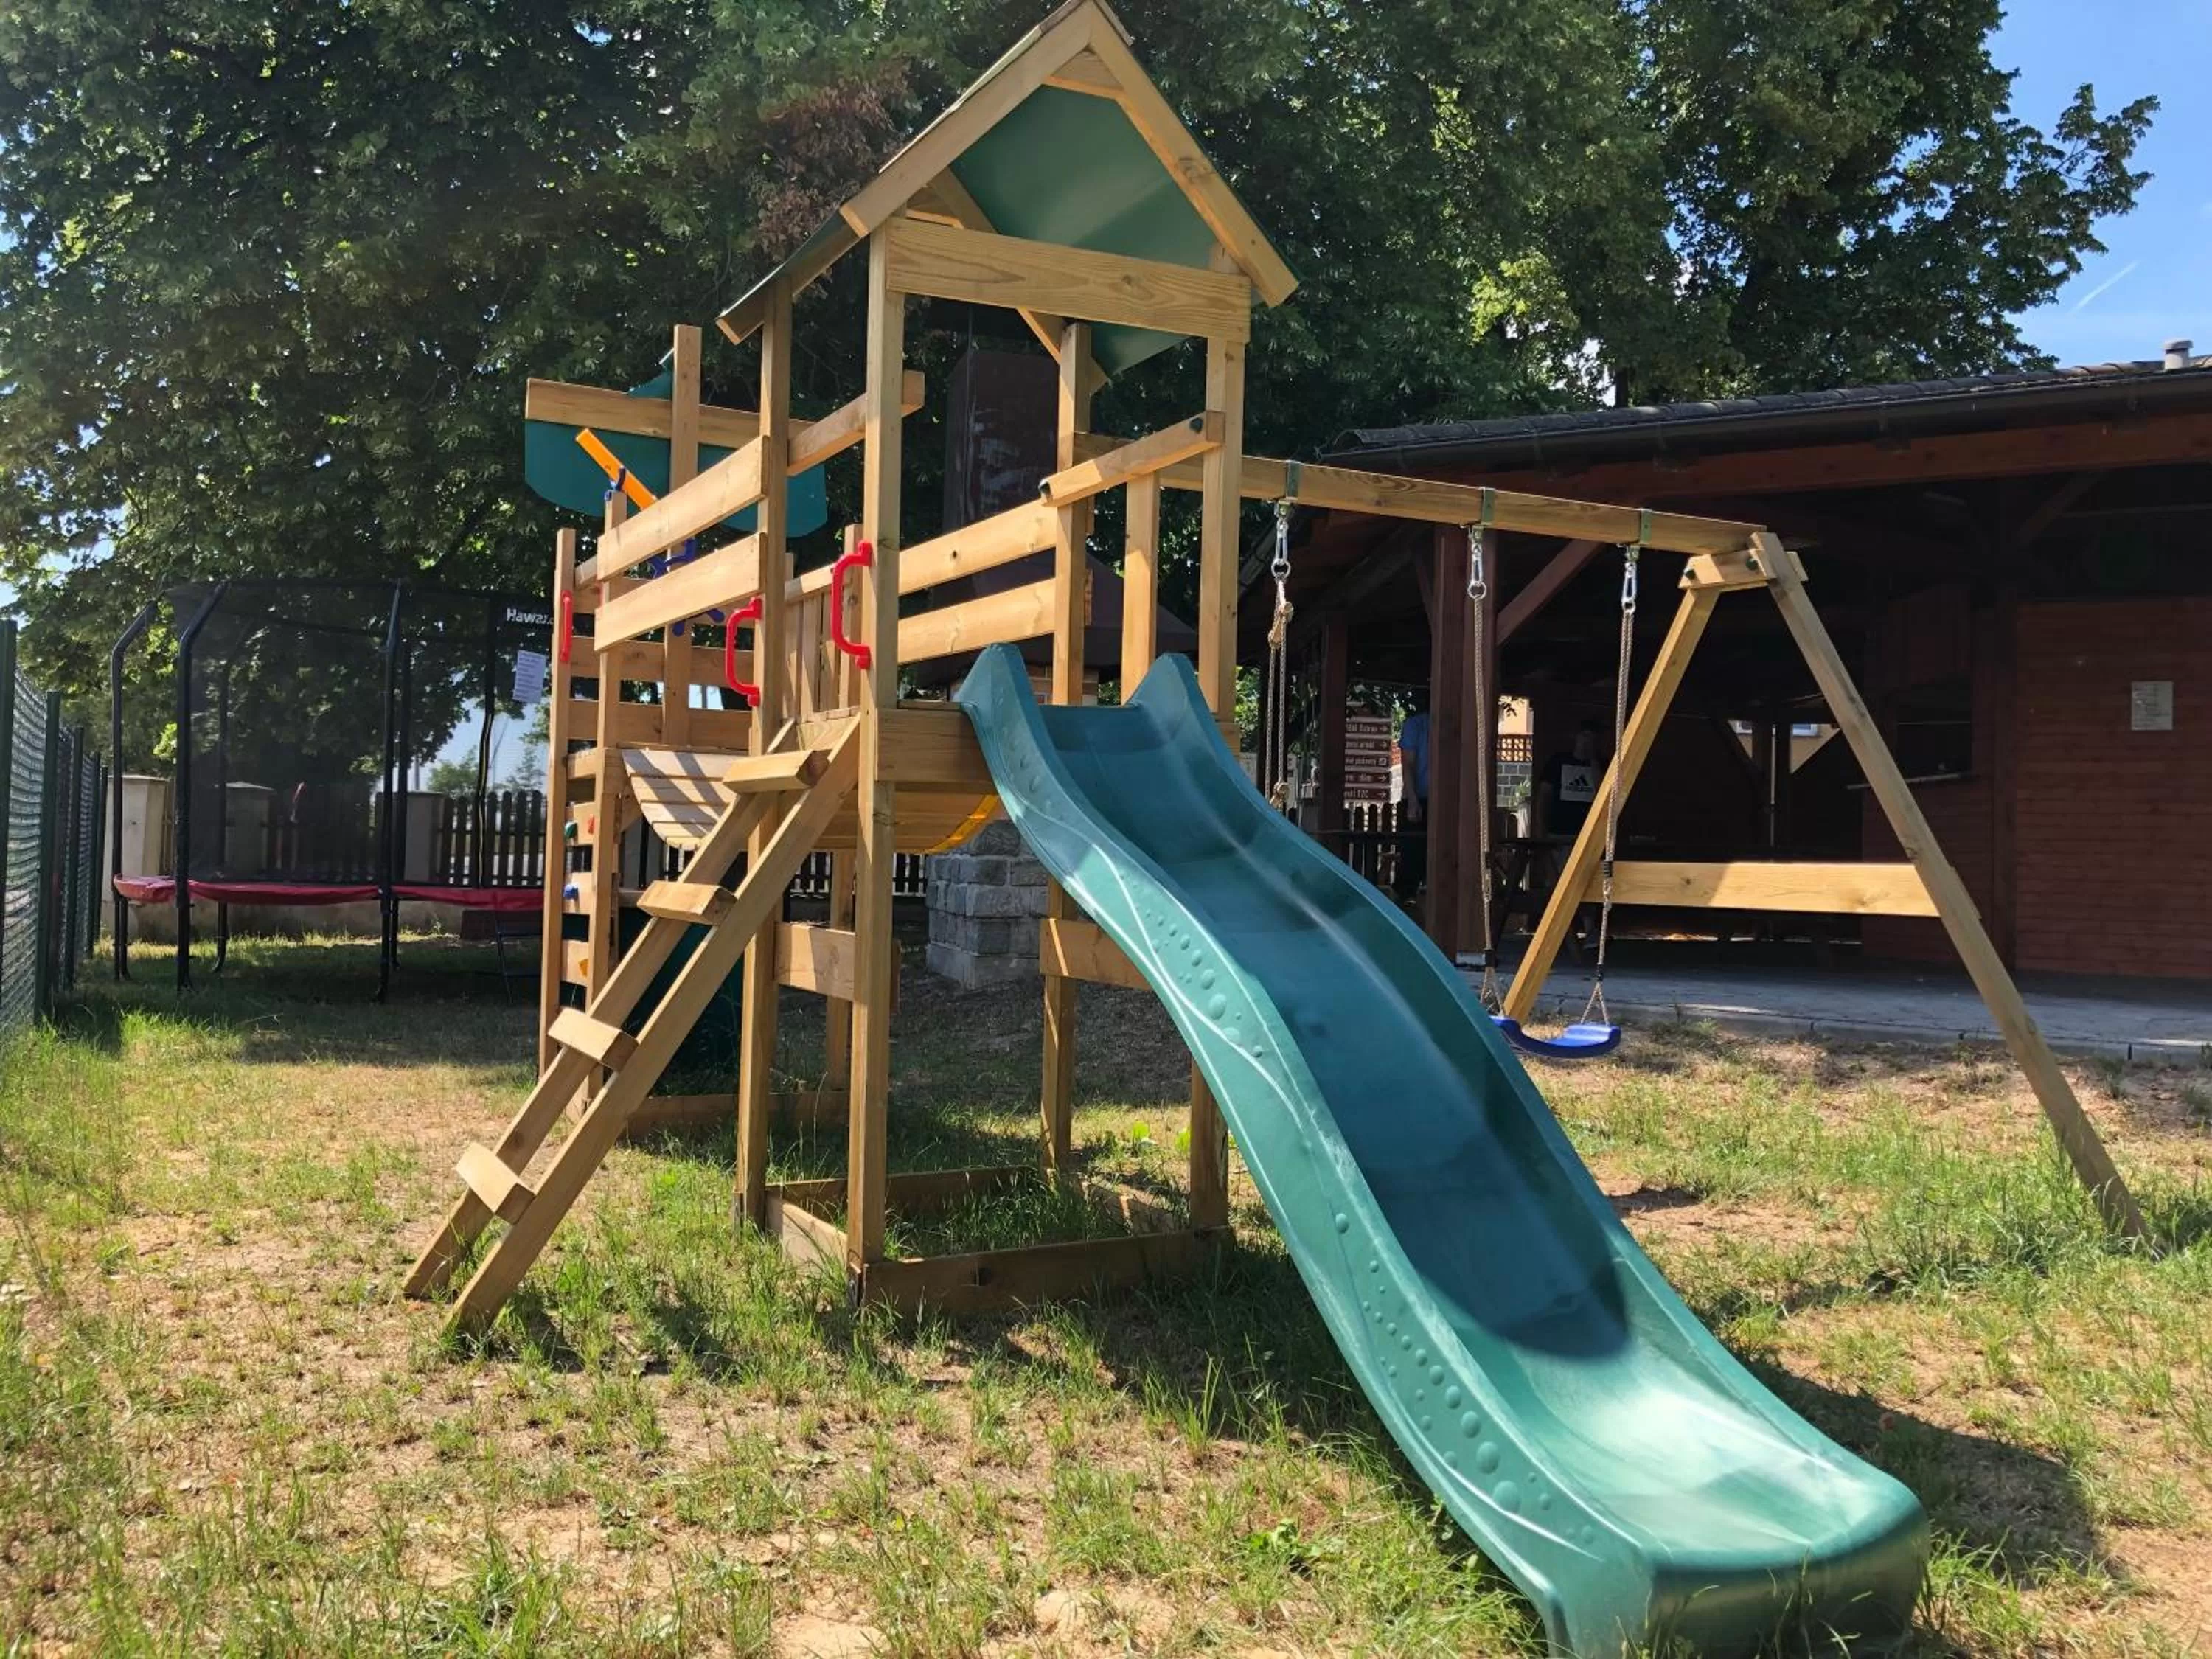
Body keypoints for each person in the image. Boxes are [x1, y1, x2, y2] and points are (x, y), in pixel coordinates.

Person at [1534, 719, 1604, 841]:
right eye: (1585, 736)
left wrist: (1593, 760)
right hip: (1559, 832)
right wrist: (1541, 828)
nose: (1588, 742)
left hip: (1589, 834)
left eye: (1593, 738)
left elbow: (1604, 793)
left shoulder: (1602, 764)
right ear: (1576, 737)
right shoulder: (1558, 761)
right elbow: (1544, 795)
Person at [1392, 698, 1433, 900]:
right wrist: (1413, 801)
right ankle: (1405, 901)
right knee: (1412, 857)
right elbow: (1407, 765)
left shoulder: (1416, 725)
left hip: (1434, 800)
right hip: (1419, 799)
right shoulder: (1416, 725)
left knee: (1425, 859)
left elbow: (1408, 763)